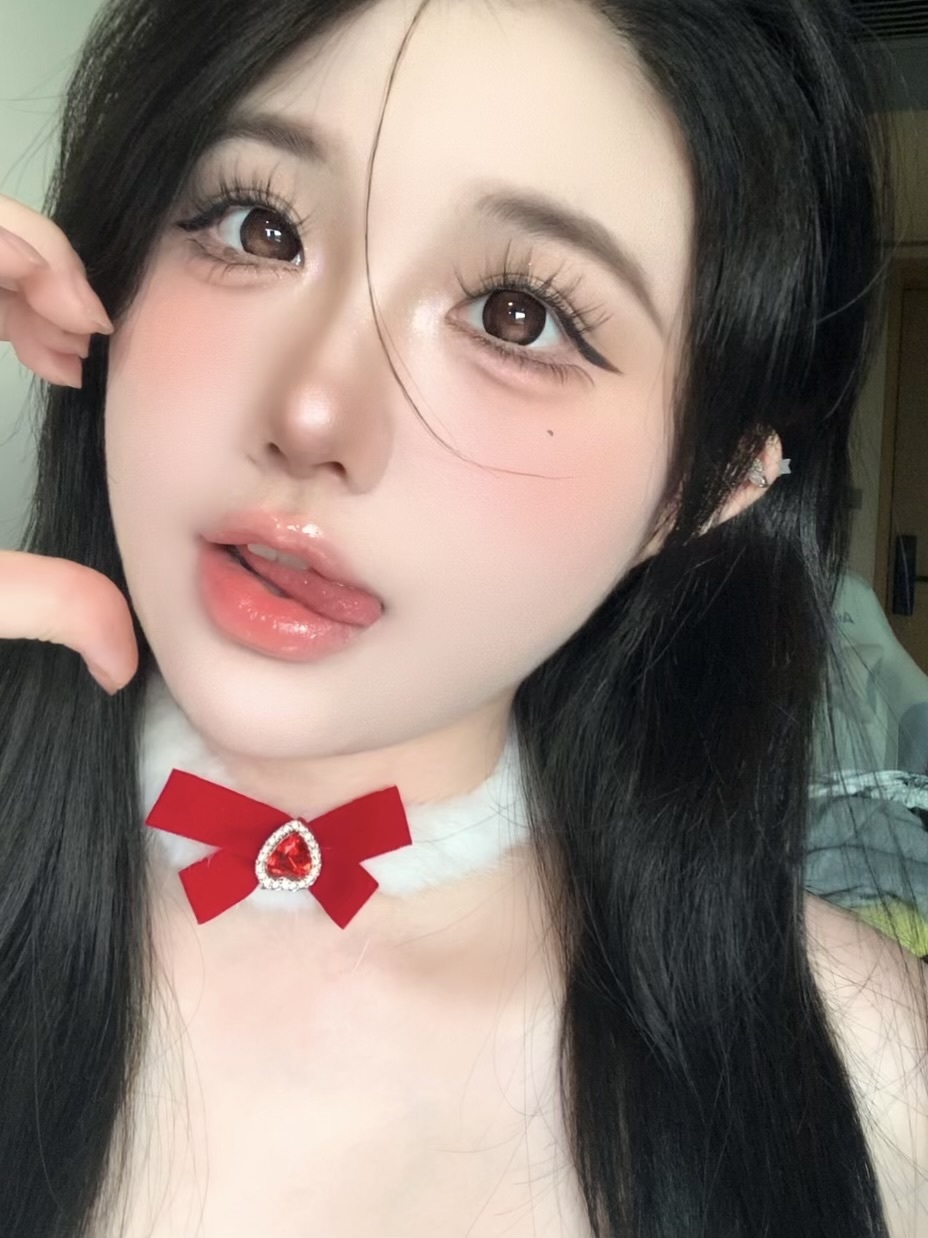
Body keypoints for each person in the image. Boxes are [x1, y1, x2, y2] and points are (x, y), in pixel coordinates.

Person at [0, 0, 925, 1234]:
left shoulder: (866, 1068)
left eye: (517, 317)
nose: (314, 413)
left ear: (706, 489)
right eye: (258, 224)